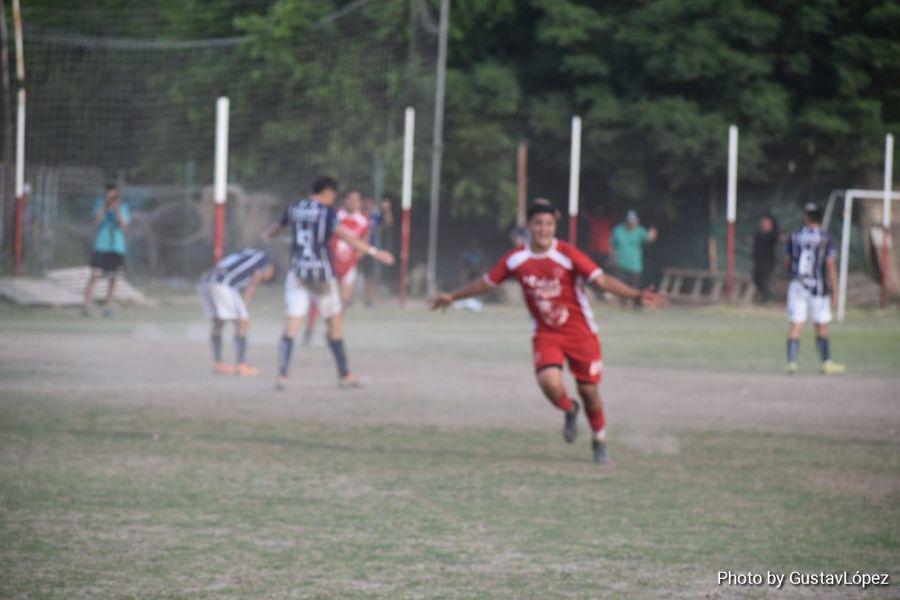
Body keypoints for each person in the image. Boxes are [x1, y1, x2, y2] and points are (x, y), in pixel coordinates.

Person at [430, 202, 667, 464]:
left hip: (581, 333)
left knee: (589, 391)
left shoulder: (567, 254)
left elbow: (601, 281)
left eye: (549, 224)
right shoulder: (516, 259)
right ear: (529, 227)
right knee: (549, 382)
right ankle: (569, 408)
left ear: (555, 227)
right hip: (546, 333)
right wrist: (452, 296)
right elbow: (487, 283)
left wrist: (636, 295)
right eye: (538, 224)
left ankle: (599, 438)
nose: (543, 229)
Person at [262, 176, 394, 390]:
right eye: (333, 196)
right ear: (327, 193)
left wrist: (267, 235)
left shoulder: (294, 208)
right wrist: (374, 252)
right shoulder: (326, 212)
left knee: (291, 327)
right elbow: (346, 236)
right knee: (335, 327)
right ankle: (344, 374)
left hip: (297, 274)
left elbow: (275, 228)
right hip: (321, 277)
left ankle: (282, 375)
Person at [301, 190, 370, 345]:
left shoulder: (363, 220)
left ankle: (333, 332)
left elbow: (364, 239)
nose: (353, 203)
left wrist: (360, 253)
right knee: (319, 297)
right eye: (350, 199)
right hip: (329, 262)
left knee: (343, 300)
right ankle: (309, 329)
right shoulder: (334, 215)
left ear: (359, 202)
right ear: (345, 201)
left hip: (349, 264)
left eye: (356, 200)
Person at [785, 203, 845, 375]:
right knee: (821, 325)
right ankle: (826, 362)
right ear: (820, 217)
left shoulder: (794, 236)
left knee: (796, 324)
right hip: (818, 289)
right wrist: (836, 290)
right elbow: (830, 266)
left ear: (806, 217)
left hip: (797, 286)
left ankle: (792, 363)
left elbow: (787, 262)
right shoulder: (826, 238)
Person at [198, 248, 275, 376]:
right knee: (243, 324)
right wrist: (243, 311)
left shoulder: (247, 253)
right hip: (223, 283)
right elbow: (255, 281)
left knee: (218, 322)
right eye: (270, 276)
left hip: (206, 280)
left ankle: (219, 364)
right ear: (271, 267)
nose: (266, 278)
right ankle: (241, 365)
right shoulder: (263, 259)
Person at [83, 184, 130, 317]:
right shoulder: (100, 205)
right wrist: (105, 206)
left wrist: (117, 210)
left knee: (113, 278)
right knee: (95, 275)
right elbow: (97, 222)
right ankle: (87, 305)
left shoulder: (122, 207)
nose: (111, 198)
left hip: (117, 246)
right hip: (102, 245)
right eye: (109, 195)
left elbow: (123, 225)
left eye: (114, 195)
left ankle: (108, 307)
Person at [611, 210, 657, 308]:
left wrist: (652, 234)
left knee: (635, 286)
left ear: (636, 221)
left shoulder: (640, 231)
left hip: (635, 265)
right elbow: (612, 245)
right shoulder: (618, 230)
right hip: (621, 263)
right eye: (629, 221)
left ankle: (636, 304)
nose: (631, 224)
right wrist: (612, 258)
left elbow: (649, 238)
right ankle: (622, 304)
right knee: (621, 285)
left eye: (633, 221)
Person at [359, 194, 395, 307]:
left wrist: (387, 210)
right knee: (349, 274)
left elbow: (388, 223)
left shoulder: (375, 215)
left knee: (370, 276)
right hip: (355, 248)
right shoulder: (358, 215)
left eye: (370, 201)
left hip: (370, 250)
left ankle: (368, 300)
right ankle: (346, 300)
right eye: (365, 200)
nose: (368, 203)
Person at [751, 213, 779, 304]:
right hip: (758, 261)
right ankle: (765, 296)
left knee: (765, 279)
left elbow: (778, 237)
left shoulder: (773, 235)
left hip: (768, 261)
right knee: (756, 278)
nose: (764, 224)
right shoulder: (758, 235)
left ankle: (767, 298)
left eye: (766, 223)